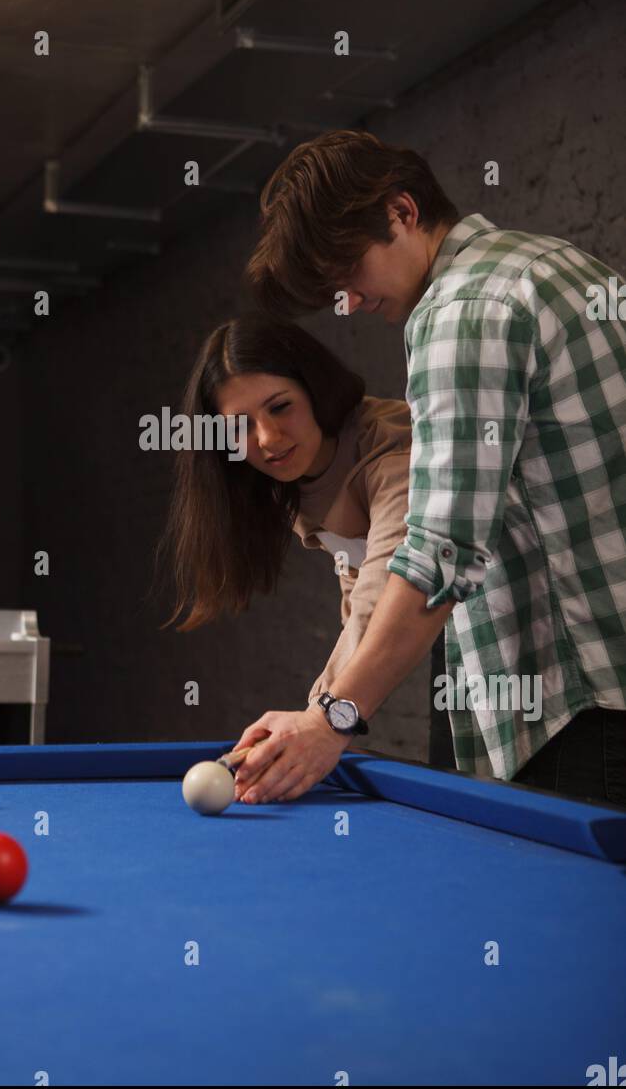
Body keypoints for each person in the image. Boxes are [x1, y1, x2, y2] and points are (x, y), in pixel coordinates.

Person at [231, 129, 626, 808]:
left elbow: (440, 554)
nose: (348, 301)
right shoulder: (558, 265)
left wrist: (333, 720)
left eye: (347, 271)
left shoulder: (462, 313)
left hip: (580, 707)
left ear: (402, 212)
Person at [159, 315, 418, 795]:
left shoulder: (392, 451)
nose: (268, 439)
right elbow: (359, 589)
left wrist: (326, 719)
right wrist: (322, 720)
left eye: (281, 407)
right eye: (241, 425)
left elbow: (391, 582)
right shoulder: (298, 477)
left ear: (315, 388)